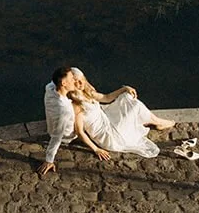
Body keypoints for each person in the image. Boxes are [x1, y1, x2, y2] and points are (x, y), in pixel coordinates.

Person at [37, 66, 176, 174]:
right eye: (73, 79)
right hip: (107, 134)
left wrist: (124, 88)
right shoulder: (70, 107)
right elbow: (74, 133)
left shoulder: (54, 87)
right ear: (64, 83)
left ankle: (155, 121)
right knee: (135, 108)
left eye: (78, 79)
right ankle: (158, 122)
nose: (76, 82)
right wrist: (96, 149)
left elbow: (106, 98)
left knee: (127, 98)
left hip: (105, 118)